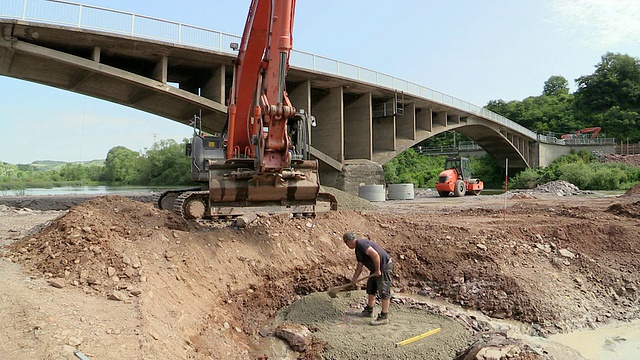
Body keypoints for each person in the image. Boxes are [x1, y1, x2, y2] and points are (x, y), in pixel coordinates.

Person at [342, 231, 393, 326]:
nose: (347, 245)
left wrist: (378, 270)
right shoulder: (358, 250)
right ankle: (369, 311)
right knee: (371, 287)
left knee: (384, 290)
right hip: (375, 269)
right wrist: (354, 280)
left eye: (346, 243)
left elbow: (375, 255)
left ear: (348, 241)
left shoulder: (361, 243)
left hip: (384, 266)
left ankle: (384, 317)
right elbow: (360, 266)